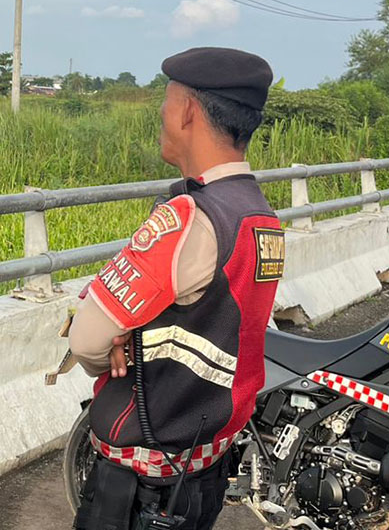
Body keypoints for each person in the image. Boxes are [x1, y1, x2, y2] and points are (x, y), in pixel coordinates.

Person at [67, 47, 284, 530]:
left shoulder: (189, 215)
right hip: (203, 466)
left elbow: (87, 339)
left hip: (143, 485)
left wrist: (115, 341)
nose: (161, 116)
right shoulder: (259, 214)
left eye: (166, 102)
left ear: (187, 110)